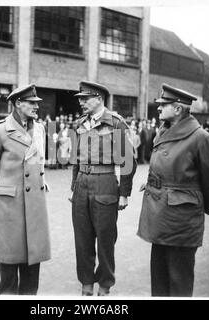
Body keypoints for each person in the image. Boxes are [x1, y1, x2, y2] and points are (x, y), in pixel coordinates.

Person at [137, 83, 209, 297]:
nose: (158, 108)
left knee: (179, 282)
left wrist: (193, 203)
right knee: (159, 280)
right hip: (161, 217)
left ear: (178, 109)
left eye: (163, 105)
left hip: (181, 220)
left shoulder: (200, 138)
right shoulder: (165, 131)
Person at [0, 84, 51, 295]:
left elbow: (40, 164)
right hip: (10, 208)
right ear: (18, 103)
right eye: (32, 103)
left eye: (37, 103)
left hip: (35, 207)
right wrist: (3, 192)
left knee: (31, 278)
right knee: (9, 277)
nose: (36, 107)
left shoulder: (39, 128)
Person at [71, 81, 137, 296]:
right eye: (80, 98)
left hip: (105, 182)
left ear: (99, 98)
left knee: (106, 240)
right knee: (82, 239)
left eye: (85, 98)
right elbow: (75, 159)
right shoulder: (79, 124)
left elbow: (128, 161)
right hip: (82, 183)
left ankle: (105, 286)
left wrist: (124, 193)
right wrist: (74, 187)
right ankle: (86, 285)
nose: (81, 102)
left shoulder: (115, 123)